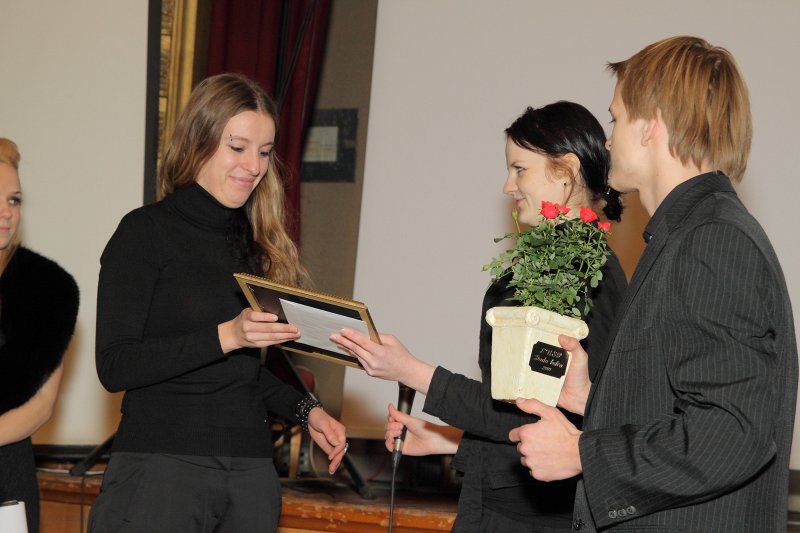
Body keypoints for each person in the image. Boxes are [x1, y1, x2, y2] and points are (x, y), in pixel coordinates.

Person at [509, 36, 798, 532]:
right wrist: (593, 398)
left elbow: (733, 431)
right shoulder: (688, 234)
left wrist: (585, 453)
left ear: (652, 125)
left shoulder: (712, 240)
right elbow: (681, 408)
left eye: (617, 119)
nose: (607, 139)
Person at [331, 101, 628, 532]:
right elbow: (529, 413)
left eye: (519, 169)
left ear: (565, 172)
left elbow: (530, 409)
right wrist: (445, 440)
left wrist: (411, 371)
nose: (508, 185)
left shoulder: (572, 271)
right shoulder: (577, 261)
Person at [88, 73, 347, 533]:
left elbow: (240, 376)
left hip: (249, 474)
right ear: (198, 141)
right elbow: (115, 365)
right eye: (238, 147)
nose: (254, 165)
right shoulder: (145, 233)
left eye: (265, 152)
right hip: (160, 470)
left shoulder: (256, 243)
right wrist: (227, 335)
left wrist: (309, 411)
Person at [0, 138, 80, 533]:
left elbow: (41, 406)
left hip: (6, 481)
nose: (6, 213)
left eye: (14, 200)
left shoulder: (49, 289)